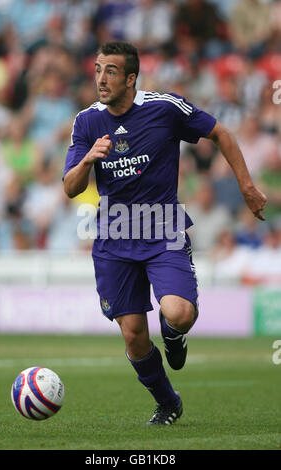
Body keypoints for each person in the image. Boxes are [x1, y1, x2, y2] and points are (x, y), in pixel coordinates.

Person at [63, 41, 267, 425]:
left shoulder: (164, 107)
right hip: (114, 237)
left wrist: (246, 187)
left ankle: (174, 335)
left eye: (110, 71)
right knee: (134, 336)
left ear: (130, 78)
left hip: (163, 228)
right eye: (97, 69)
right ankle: (168, 402)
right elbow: (70, 187)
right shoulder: (87, 122)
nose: (101, 79)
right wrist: (89, 159)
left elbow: (221, 133)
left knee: (179, 313)